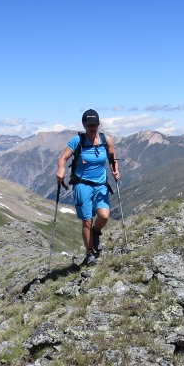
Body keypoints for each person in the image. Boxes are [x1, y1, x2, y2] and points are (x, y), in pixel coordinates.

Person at [56, 109, 120, 266]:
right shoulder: (77, 141)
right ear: (84, 125)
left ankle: (96, 233)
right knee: (87, 221)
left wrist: (115, 170)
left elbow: (113, 158)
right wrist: (61, 169)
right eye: (89, 125)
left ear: (99, 124)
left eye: (94, 125)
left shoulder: (106, 140)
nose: (92, 128)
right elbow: (63, 158)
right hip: (82, 185)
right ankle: (90, 252)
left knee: (104, 215)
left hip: (101, 184)